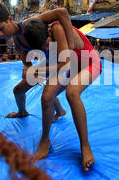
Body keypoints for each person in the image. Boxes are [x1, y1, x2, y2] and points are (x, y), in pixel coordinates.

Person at [21, 19, 102, 171]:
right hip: (72, 66)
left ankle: (85, 146)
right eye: (42, 48)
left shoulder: (58, 28)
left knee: (72, 92)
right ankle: (48, 134)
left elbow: (63, 63)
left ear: (49, 32)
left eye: (47, 44)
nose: (46, 48)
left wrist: (38, 70)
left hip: (89, 63)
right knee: (47, 96)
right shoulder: (40, 36)